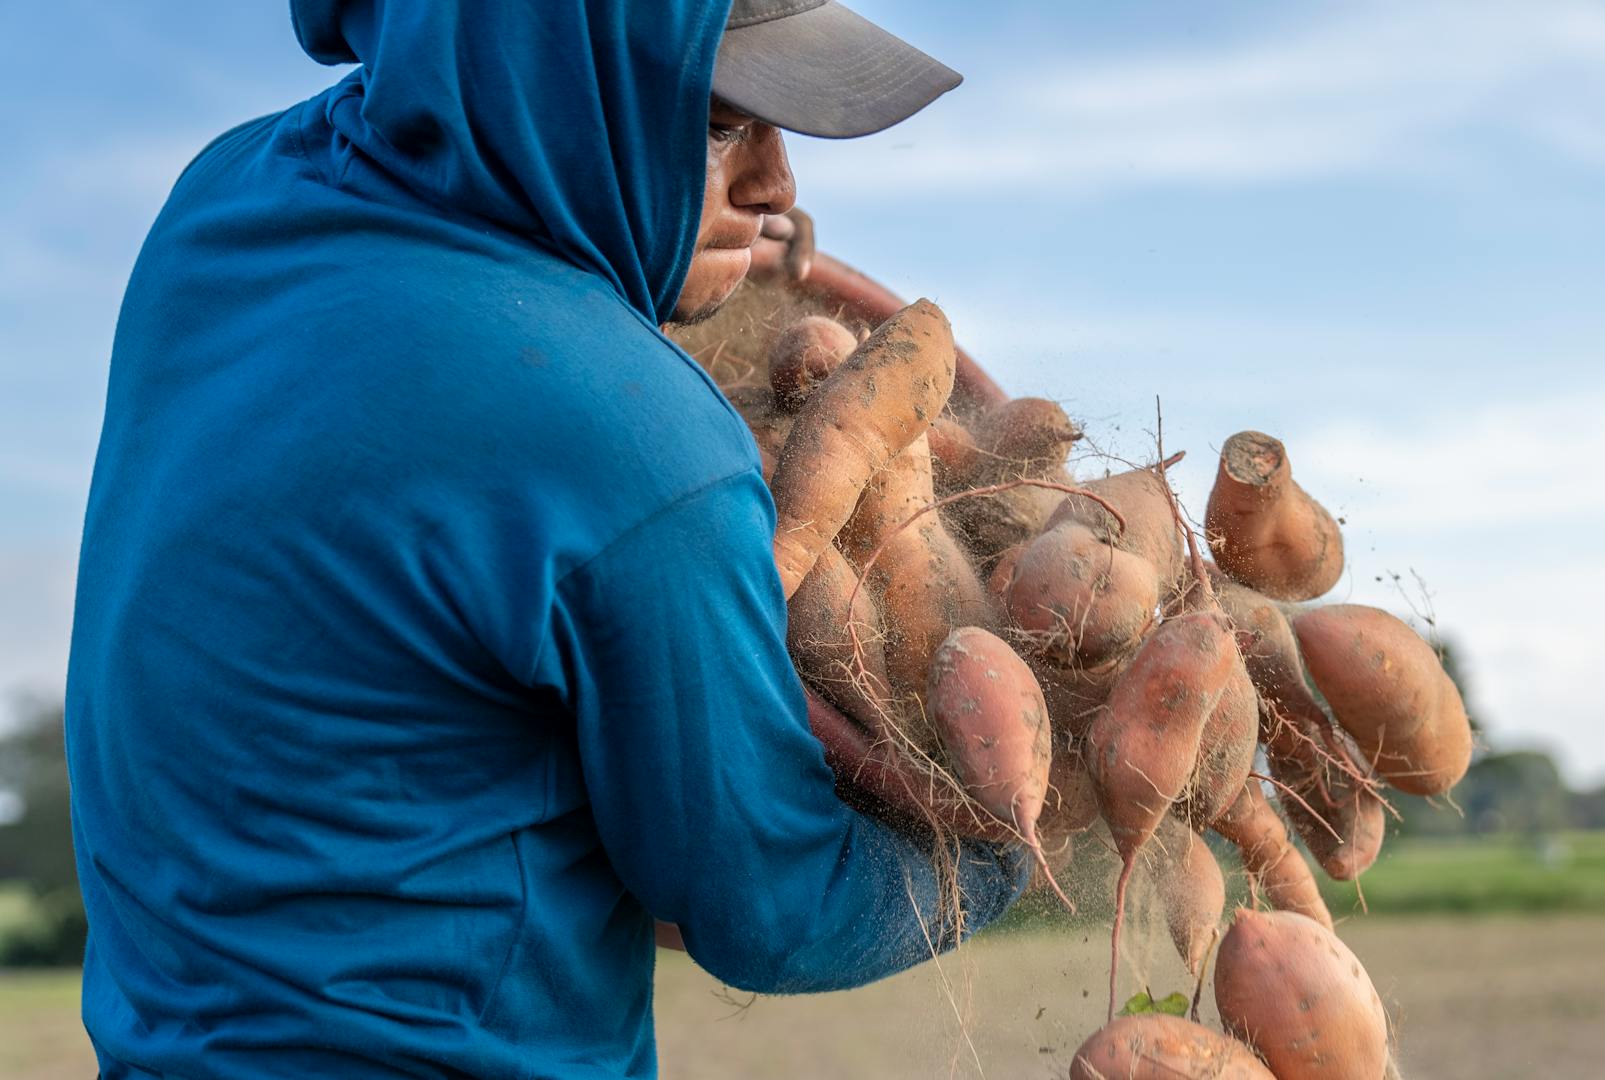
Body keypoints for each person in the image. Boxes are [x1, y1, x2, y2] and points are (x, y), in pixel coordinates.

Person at [63, 1, 1029, 1076]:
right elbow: (776, 903)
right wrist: (1009, 848)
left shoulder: (221, 202)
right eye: (720, 124)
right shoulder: (627, 441)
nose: (776, 187)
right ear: (555, 81)